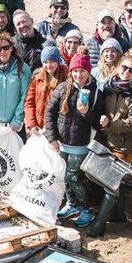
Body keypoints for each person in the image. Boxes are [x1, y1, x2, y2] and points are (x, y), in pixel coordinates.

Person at [44, 53, 105, 228]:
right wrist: (52, 138)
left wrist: (86, 112)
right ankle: (72, 204)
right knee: (64, 176)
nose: (78, 75)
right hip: (62, 142)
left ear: (89, 72)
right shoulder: (63, 88)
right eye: (75, 71)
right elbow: (50, 113)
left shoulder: (95, 93)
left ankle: (86, 209)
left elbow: (98, 122)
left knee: (74, 177)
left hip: (81, 144)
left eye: (82, 71)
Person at [99, 51, 132, 222]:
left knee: (116, 182)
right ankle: (118, 216)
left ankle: (104, 221)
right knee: (112, 182)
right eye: (124, 67)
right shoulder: (108, 87)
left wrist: (110, 126)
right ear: (118, 67)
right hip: (108, 141)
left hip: (126, 144)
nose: (126, 72)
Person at [0, 32, 33, 136]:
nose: (2, 51)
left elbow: (25, 96)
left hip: (14, 124)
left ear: (11, 48)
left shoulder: (22, 68)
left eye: (6, 47)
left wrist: (17, 119)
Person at [24, 45, 67, 136]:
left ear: (58, 61)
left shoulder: (65, 78)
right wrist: (32, 125)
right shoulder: (37, 78)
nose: (48, 65)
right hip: (39, 127)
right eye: (45, 62)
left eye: (52, 62)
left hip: (57, 129)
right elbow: (29, 102)